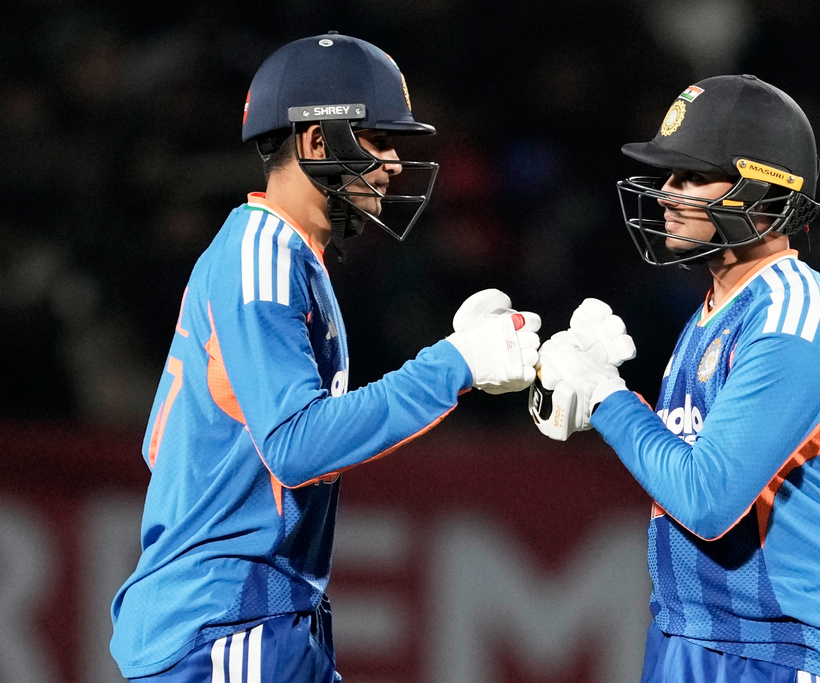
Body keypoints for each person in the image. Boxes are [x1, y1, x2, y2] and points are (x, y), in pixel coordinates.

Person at [110, 32, 541, 682]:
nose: (394, 164)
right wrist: (454, 363)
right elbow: (295, 445)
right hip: (229, 626)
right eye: (378, 139)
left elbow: (166, 446)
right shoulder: (262, 258)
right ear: (316, 141)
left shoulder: (280, 255)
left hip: (251, 618)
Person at [529, 74, 820, 682]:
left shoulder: (797, 315)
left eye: (692, 176)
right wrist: (596, 395)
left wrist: (608, 397)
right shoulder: (716, 310)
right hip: (690, 636)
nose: (667, 192)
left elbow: (707, 499)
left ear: (762, 189)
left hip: (781, 653)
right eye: (670, 175)